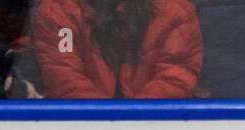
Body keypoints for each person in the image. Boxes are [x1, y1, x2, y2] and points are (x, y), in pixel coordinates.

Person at [31, 0, 201, 98]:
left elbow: (176, 74)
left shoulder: (175, 10)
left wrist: (137, 117)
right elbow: (64, 75)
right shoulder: (58, 10)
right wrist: (105, 120)